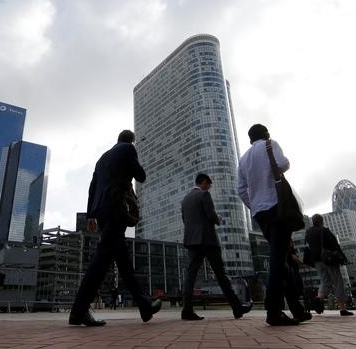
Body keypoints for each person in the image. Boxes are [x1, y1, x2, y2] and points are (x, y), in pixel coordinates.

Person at [68, 130, 161, 327]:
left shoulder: (102, 158)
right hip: (115, 207)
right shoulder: (128, 148)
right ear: (131, 140)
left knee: (123, 262)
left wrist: (90, 215)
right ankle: (78, 311)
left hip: (101, 210)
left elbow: (92, 187)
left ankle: (145, 307)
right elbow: (141, 176)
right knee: (101, 260)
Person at [237, 123, 298, 326]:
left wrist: (253, 205)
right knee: (278, 259)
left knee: (281, 256)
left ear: (249, 139)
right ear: (266, 134)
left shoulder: (243, 159)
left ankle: (297, 309)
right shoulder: (270, 145)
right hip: (277, 206)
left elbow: (241, 189)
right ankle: (273, 311)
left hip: (260, 213)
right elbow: (283, 164)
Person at [180, 173, 252, 321]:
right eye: (209, 185)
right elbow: (211, 215)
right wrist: (218, 218)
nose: (209, 188)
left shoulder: (185, 200)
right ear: (204, 182)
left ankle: (187, 310)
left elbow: (185, 220)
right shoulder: (204, 195)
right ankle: (237, 308)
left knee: (190, 276)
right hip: (207, 240)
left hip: (192, 241)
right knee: (221, 275)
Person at [304, 214, 353, 316]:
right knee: (337, 281)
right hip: (328, 259)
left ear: (313, 221)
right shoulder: (324, 231)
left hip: (316, 260)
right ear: (322, 221)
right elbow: (335, 245)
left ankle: (318, 298)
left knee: (325, 281)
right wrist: (342, 257)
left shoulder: (308, 232)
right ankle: (342, 308)